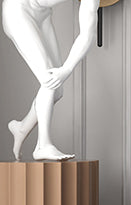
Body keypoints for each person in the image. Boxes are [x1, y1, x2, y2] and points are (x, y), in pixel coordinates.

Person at [3, 0, 98, 161]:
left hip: (43, 16)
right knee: (49, 78)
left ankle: (21, 128)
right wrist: (65, 69)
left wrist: (67, 69)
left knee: (57, 90)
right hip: (17, 9)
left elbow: (87, 34)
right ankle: (43, 145)